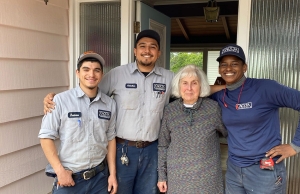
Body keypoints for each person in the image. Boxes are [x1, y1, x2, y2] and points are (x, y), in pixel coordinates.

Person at [43, 29, 174, 194]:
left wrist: (217, 87)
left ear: (159, 52)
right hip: (122, 151)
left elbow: (192, 90)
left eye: (152, 47)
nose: (147, 51)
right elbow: (89, 92)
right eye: (142, 46)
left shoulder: (169, 78)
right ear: (135, 51)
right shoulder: (117, 74)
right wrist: (56, 99)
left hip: (152, 151)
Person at [210, 44, 300, 194]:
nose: (228, 68)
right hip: (233, 169)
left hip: (264, 171)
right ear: (219, 69)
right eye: (224, 64)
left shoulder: (265, 88)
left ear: (244, 67)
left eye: (234, 64)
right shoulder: (221, 96)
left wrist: (295, 146)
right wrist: (223, 88)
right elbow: (195, 91)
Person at [38, 51, 118, 194]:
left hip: (100, 178)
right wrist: (59, 171)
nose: (91, 74)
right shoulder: (60, 101)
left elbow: (110, 139)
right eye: (86, 69)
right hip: (70, 180)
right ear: (77, 72)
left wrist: (112, 174)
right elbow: (45, 137)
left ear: (102, 74)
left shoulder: (110, 104)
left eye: (96, 70)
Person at [157, 65, 227, 194]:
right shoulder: (170, 110)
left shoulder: (213, 108)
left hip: (208, 179)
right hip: (177, 178)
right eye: (185, 83)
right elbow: (163, 145)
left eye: (194, 83)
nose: (189, 88)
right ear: (178, 86)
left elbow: (230, 134)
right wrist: (162, 176)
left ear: (201, 86)